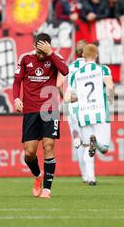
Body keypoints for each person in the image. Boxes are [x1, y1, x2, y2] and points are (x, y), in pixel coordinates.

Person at [13, 33, 69, 198]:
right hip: (30, 110)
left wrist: (50, 53)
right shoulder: (25, 58)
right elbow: (16, 82)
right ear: (34, 44)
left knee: (48, 146)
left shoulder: (54, 57)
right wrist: (16, 98)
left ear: (48, 46)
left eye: (43, 48)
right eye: (38, 48)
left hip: (49, 108)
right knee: (29, 153)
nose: (40, 53)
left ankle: (47, 189)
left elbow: (65, 71)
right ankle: (38, 176)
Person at [65, 44, 114, 186]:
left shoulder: (76, 74)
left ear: (83, 56)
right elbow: (110, 86)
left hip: (84, 114)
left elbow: (67, 98)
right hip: (101, 113)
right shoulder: (103, 69)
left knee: (87, 147)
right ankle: (96, 142)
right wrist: (110, 98)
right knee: (104, 148)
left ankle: (91, 178)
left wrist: (79, 97)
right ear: (97, 55)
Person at [66, 40, 88, 183]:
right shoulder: (92, 67)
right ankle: (90, 174)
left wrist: (65, 98)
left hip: (73, 106)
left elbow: (59, 85)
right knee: (88, 143)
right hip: (88, 107)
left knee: (79, 143)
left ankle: (85, 175)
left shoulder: (70, 67)